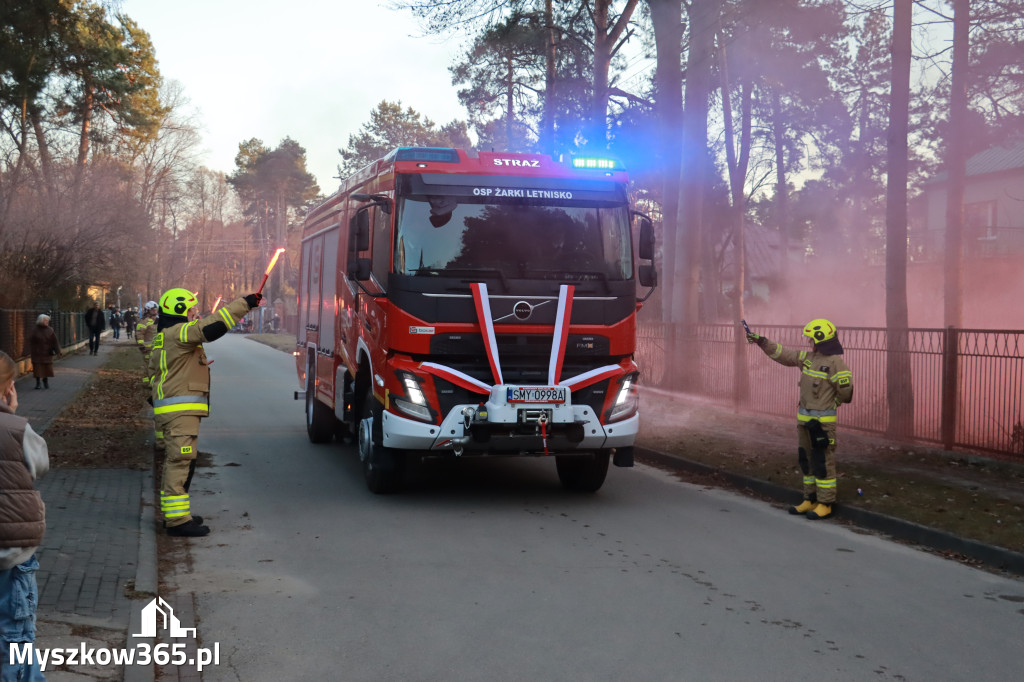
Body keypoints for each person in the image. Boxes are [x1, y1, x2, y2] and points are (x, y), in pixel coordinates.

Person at [150, 288, 261, 537]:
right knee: (180, 462)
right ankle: (177, 521)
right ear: (179, 310)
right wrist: (244, 303)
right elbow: (211, 328)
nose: (194, 314)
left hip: (176, 412)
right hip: (180, 413)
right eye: (191, 310)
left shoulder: (164, 336)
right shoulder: (179, 332)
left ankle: (177, 515)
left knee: (180, 462)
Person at [746, 318, 854, 520]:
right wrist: (762, 341)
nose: (808, 342)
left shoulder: (836, 364)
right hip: (804, 422)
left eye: (811, 338)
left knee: (823, 462)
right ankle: (810, 499)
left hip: (822, 425)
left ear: (821, 340)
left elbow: (846, 393)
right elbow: (784, 354)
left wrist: (833, 402)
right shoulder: (808, 358)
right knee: (806, 461)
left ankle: (825, 503)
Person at [0, 350, 49, 682]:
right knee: (15, 634)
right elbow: (40, 462)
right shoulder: (15, 428)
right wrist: (12, 414)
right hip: (11, 551)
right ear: (8, 388)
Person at [28, 314, 62, 390]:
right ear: (41, 321)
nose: (47, 322)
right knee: (37, 368)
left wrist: (58, 351)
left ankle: (45, 381)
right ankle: (38, 383)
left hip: (47, 352)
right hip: (37, 352)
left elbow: (55, 341)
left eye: (47, 320)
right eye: (45, 320)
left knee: (46, 368)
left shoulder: (50, 330)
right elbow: (30, 340)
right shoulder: (35, 330)